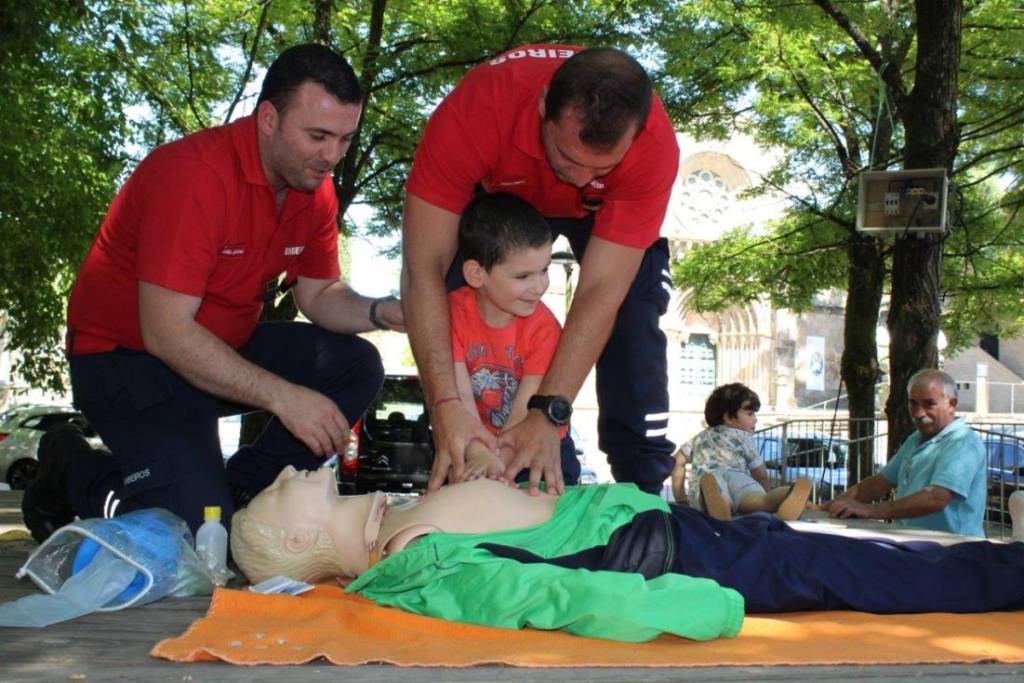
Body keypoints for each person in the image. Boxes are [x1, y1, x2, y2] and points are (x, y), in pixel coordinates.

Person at [22, 44, 403, 542]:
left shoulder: (314, 189)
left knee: (357, 365)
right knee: (187, 537)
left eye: (345, 139)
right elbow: (166, 333)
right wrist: (284, 397)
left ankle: (240, 493)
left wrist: (383, 311)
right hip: (126, 361)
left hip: (216, 350)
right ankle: (69, 465)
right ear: (268, 118)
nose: (331, 156)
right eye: (317, 136)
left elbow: (320, 294)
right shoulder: (194, 176)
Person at [231, 466, 1024, 643]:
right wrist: (706, 610)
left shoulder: (398, 518)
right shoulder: (415, 562)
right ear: (299, 542)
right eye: (276, 493)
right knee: (872, 571)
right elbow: (552, 599)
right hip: (687, 562)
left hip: (674, 528)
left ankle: (998, 565)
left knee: (863, 555)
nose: (286, 473)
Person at [401, 44, 680, 496]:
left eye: (601, 168)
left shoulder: (653, 148)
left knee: (634, 309)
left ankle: (642, 488)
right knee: (465, 304)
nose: (579, 179)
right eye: (568, 158)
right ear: (543, 104)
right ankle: (471, 458)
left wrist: (549, 413)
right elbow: (423, 269)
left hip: (602, 219)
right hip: (502, 201)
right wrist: (444, 403)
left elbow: (602, 291)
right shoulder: (476, 111)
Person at [448, 192, 579, 485]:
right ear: (476, 274)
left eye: (544, 270)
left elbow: (525, 412)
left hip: (536, 439)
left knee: (546, 509)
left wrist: (500, 468)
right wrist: (480, 455)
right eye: (523, 277)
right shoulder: (450, 316)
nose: (540, 286)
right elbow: (459, 399)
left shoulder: (544, 329)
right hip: (475, 446)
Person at [826, 369, 987, 537]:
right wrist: (831, 506)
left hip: (954, 552)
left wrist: (868, 510)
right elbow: (878, 483)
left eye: (929, 404)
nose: (918, 413)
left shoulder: (962, 442)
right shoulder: (916, 439)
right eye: (913, 403)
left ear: (952, 404)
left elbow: (936, 498)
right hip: (916, 545)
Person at [684, 383, 811, 521]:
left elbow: (677, 463)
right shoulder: (743, 437)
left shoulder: (698, 438)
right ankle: (788, 492)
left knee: (714, 495)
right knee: (760, 501)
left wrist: (680, 498)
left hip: (709, 478)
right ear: (729, 418)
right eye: (750, 413)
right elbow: (760, 473)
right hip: (739, 479)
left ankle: (722, 503)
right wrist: (766, 494)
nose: (755, 419)